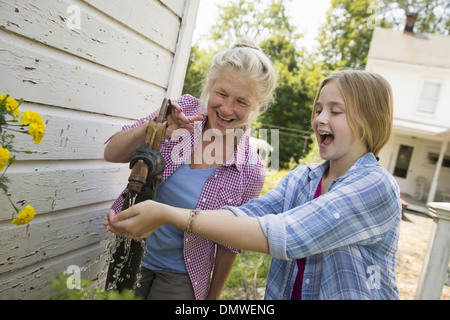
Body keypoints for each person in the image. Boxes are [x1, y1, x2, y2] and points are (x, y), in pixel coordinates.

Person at [104, 70, 402, 300]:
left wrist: (167, 215)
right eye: (318, 108)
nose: (320, 118)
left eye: (336, 111)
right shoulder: (303, 178)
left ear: (370, 121)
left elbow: (287, 235)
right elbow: (246, 215)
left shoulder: (374, 186)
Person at [103, 38, 277, 300]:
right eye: (221, 93)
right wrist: (157, 127)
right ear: (209, 87)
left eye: (242, 101)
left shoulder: (250, 171)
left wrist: (212, 297)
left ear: (258, 106)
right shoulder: (180, 112)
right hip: (129, 253)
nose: (227, 108)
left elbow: (230, 243)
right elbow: (111, 152)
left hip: (181, 278)